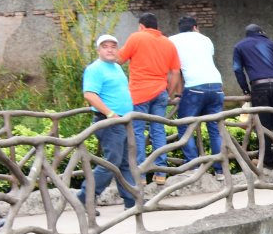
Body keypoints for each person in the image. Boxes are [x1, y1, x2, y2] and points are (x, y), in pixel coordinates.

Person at [117, 12, 183, 179]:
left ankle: (140, 173)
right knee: (158, 130)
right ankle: (161, 172)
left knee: (137, 132)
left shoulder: (136, 37)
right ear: (157, 27)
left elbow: (119, 59)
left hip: (139, 93)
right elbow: (175, 72)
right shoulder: (169, 43)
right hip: (160, 92)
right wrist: (168, 92)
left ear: (141, 26)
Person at [78, 33, 137, 208]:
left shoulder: (116, 67)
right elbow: (89, 94)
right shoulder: (95, 69)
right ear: (98, 50)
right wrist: (110, 114)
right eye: (105, 46)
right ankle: (85, 197)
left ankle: (131, 199)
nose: (110, 50)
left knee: (125, 161)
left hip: (123, 121)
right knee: (112, 162)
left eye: (113, 46)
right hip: (109, 122)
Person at [231, 23, 273, 168]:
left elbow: (237, 69)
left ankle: (266, 160)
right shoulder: (272, 44)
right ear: (261, 32)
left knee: (264, 125)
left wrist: (245, 89)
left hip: (258, 86)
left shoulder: (239, 46)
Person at [168, 16, 225, 169]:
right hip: (216, 85)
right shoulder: (206, 39)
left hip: (194, 87)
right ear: (195, 27)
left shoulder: (172, 40)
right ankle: (220, 170)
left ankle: (192, 166)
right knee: (214, 128)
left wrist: (174, 93)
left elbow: (176, 70)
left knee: (184, 125)